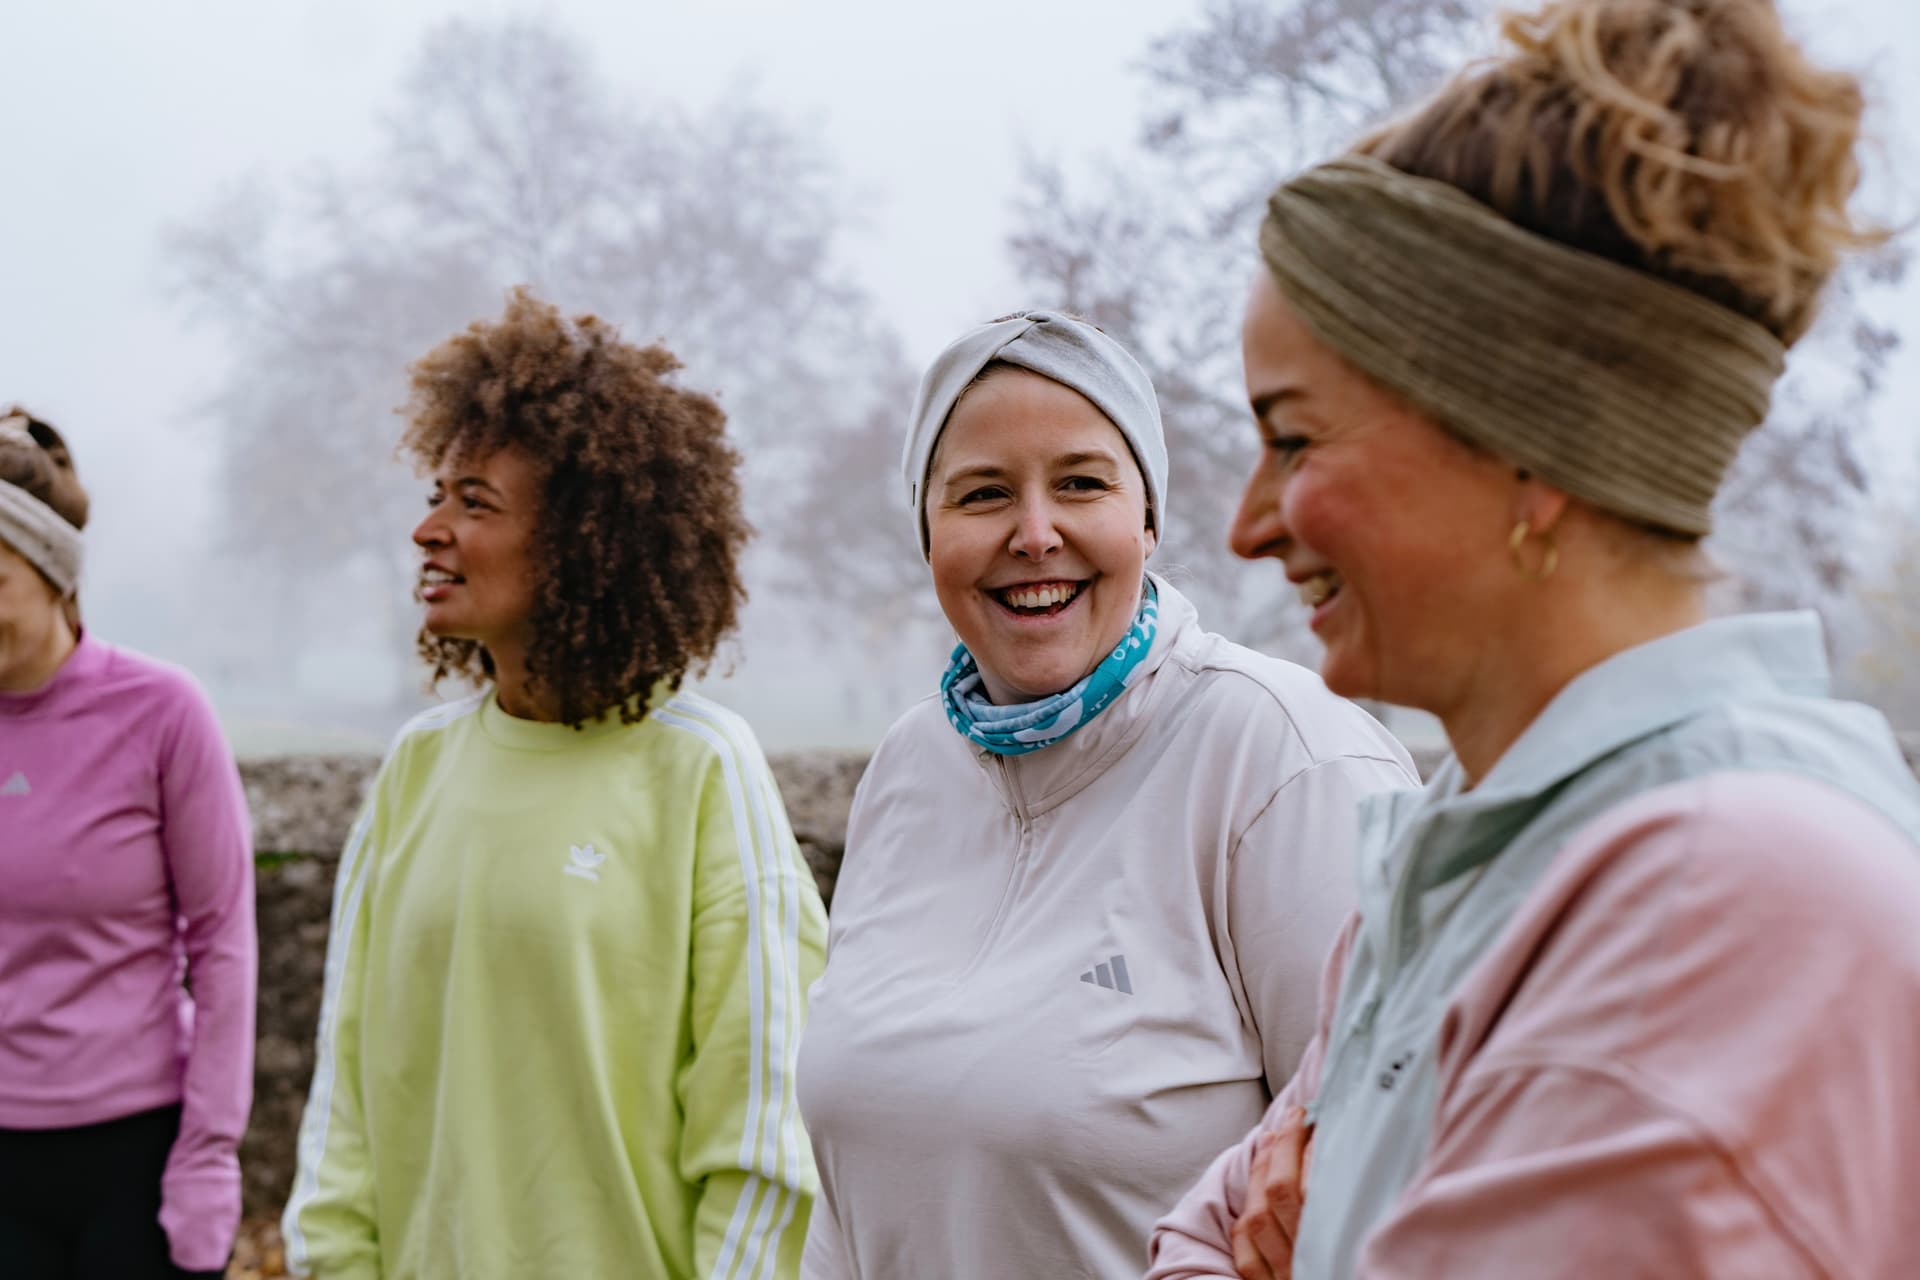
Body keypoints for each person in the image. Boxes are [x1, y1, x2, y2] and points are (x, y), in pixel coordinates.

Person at [1149, 1, 1920, 1276]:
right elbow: (1195, 1236)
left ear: (1527, 445)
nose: (1244, 526)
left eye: (1293, 438)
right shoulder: (1473, 851)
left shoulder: (1707, 916)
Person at [794, 309, 1417, 1278]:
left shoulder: (1287, 759)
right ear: (927, 530)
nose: (1034, 534)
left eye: (1081, 483)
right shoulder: (908, 769)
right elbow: (850, 1200)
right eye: (982, 493)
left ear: (1149, 516)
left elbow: (1393, 1180)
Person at [281, 290, 827, 1279]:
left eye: (473, 501)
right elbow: (347, 1096)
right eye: (435, 491)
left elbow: (765, 1138)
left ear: (584, 540)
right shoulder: (418, 767)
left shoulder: (703, 768)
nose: (427, 528)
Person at [0, 408, 256, 1278]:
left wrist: (207, 1160)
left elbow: (222, 945)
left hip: (135, 1158)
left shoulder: (160, 712)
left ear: (53, 572)